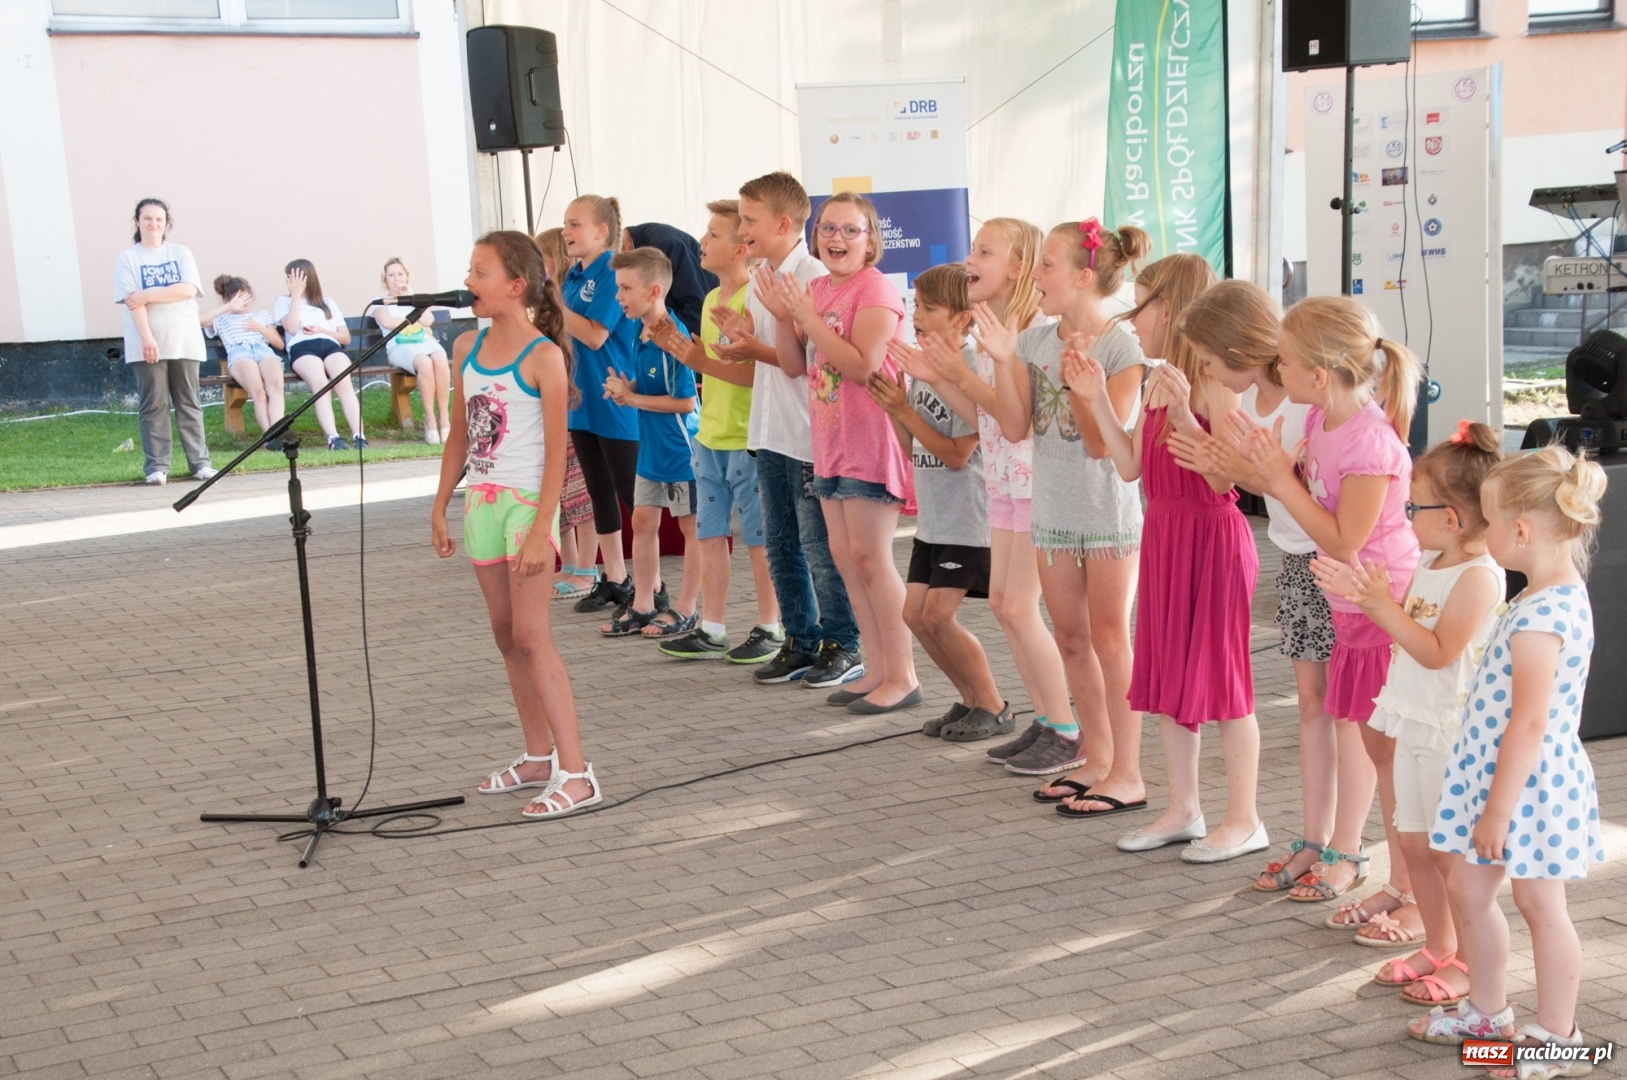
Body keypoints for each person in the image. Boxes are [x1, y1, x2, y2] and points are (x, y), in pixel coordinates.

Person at [1406, 445, 1606, 1073]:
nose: (1483, 532)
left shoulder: (1544, 614)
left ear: (1519, 531)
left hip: (1528, 788)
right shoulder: (1536, 598)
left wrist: (1497, 810)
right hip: (1498, 778)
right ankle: (1488, 1016)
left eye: (1489, 523)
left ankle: (1559, 1035)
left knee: (1541, 905)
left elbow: (1530, 722)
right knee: (1469, 886)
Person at [1066, 255, 1268, 863]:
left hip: (1211, 536)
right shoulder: (1158, 377)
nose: (1134, 318)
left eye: (1144, 305)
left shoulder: (1210, 384)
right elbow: (1129, 465)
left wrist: (1185, 416)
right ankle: (1184, 808)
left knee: (1226, 680)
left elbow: (1226, 481)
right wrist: (1096, 396)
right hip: (1165, 534)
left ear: (1174, 310)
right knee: (1169, 678)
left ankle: (1244, 817)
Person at [1163, 282, 1348, 897]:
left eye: (1212, 361)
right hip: (1297, 561)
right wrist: (1212, 444)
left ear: (1240, 349)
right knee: (1313, 706)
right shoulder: (1253, 401)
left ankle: (1345, 847)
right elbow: (1231, 471)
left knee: (1346, 713)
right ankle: (1315, 838)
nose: (1207, 371)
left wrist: (1233, 461)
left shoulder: (1301, 404)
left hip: (1334, 565)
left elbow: (1274, 479)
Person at [1239, 296, 1424, 904]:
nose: (1277, 372)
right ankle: (1341, 849)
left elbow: (1346, 539)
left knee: (1367, 735)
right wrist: (1267, 473)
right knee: (1345, 721)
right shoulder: (1321, 420)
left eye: (1285, 362)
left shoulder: (1370, 442)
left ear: (1318, 375)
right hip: (1344, 601)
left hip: (1377, 603)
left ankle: (1370, 862)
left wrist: (1280, 483)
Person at [1311, 422, 1502, 1008]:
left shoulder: (1479, 577)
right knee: (1417, 845)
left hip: (1450, 733)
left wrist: (1378, 606)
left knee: (1450, 856)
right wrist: (1367, 595)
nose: (1404, 514)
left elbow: (1437, 649)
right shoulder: (1433, 559)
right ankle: (1440, 946)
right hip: (1415, 722)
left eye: (1413, 505)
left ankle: (1471, 963)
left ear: (1454, 518)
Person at [430, 230, 600, 819]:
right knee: (506, 634)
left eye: (480, 272)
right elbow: (460, 433)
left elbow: (558, 453)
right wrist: (440, 502)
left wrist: (538, 531)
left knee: (532, 636)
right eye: (471, 271)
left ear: (515, 286)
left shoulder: (543, 356)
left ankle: (577, 773)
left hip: (528, 505)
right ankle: (538, 756)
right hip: (482, 502)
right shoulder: (464, 350)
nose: (470, 281)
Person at [892, 219, 1072, 748]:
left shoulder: (1028, 332)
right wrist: (936, 380)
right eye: (972, 248)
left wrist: (954, 376)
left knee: (1028, 612)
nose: (970, 258)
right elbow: (985, 415)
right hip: (1005, 485)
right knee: (1005, 607)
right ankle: (1045, 721)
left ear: (1018, 266)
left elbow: (1014, 421)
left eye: (984, 251)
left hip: (1036, 487)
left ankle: (1060, 726)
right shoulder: (1007, 328)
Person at [985, 220, 1149, 779]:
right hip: (1053, 512)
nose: (1037, 276)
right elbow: (1013, 427)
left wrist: (1081, 382)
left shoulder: (1122, 347)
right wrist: (1006, 360)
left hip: (1106, 515)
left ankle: (1126, 767)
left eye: (1048, 265)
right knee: (1072, 638)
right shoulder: (1033, 341)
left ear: (1083, 277)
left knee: (1109, 637)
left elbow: (1102, 444)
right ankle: (1096, 754)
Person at [759, 191, 917, 714]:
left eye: (851, 230)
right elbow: (792, 364)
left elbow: (863, 366)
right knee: (848, 561)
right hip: (828, 445)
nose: (836, 239)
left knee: (873, 560)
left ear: (871, 241)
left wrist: (810, 315)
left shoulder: (875, 291)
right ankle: (875, 668)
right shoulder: (817, 289)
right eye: (828, 228)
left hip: (871, 444)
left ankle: (904, 675)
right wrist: (786, 317)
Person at [712, 171, 862, 689]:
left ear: (782, 222)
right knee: (780, 543)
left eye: (749, 220)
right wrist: (742, 336)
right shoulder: (762, 274)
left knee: (818, 545)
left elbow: (805, 359)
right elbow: (773, 352)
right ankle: (800, 639)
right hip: (769, 430)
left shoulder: (813, 275)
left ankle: (844, 642)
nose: (741, 231)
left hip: (808, 433)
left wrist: (755, 348)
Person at [871, 264, 1005, 735]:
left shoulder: (966, 369)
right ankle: (969, 700)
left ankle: (993, 703)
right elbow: (913, 449)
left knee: (938, 615)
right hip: (934, 520)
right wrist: (894, 409)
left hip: (969, 518)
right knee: (914, 615)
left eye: (930, 307)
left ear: (963, 319)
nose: (917, 314)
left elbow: (955, 454)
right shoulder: (918, 370)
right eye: (916, 305)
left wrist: (904, 408)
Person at [650, 200, 784, 662]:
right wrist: (687, 354)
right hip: (709, 436)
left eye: (712, 235)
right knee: (709, 534)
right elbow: (707, 366)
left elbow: (761, 374)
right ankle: (712, 625)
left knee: (759, 538)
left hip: (748, 439)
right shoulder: (709, 300)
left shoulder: (758, 299)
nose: (701, 243)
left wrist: (700, 361)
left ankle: (771, 625)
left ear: (741, 246)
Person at [597, 247, 701, 638]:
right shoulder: (643, 331)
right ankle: (643, 603)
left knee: (692, 529)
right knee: (642, 521)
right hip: (652, 448)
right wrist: (629, 388)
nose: (619, 297)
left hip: (679, 449)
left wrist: (633, 398)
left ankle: (686, 608)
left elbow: (687, 400)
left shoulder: (670, 337)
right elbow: (657, 385)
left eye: (625, 288)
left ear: (654, 290)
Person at [561, 195, 649, 614]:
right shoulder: (572, 276)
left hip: (616, 397)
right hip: (580, 398)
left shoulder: (614, 272)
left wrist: (554, 309)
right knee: (598, 490)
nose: (566, 232)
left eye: (574, 224)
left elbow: (596, 335)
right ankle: (615, 578)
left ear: (601, 231)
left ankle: (652, 587)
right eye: (565, 224)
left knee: (633, 494)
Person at [114, 197, 213, 485]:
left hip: (184, 338)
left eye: (159, 219)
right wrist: (147, 339)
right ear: (137, 222)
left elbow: (188, 289)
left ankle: (200, 464)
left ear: (166, 223)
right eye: (147, 218)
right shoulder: (128, 257)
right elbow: (133, 303)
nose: (153, 224)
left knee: (189, 403)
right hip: (146, 341)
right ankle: (157, 467)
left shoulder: (180, 252)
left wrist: (147, 294)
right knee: (153, 405)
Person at [533, 226, 599, 601]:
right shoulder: (547, 306)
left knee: (580, 493)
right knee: (559, 490)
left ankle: (587, 567)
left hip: (575, 405)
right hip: (553, 406)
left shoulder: (567, 305)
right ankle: (570, 561)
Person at [274, 259, 365, 452]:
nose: (290, 281)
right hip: (302, 348)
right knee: (321, 385)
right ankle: (334, 438)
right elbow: (290, 327)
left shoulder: (328, 303)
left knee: (343, 383)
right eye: (288, 277)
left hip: (330, 345)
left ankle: (359, 436)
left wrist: (322, 330)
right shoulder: (284, 301)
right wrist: (296, 295)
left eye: (294, 277)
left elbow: (345, 337)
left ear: (307, 278)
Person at [371, 257, 452, 445]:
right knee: (424, 362)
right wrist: (420, 327)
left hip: (424, 342)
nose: (396, 279)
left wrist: (413, 297)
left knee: (440, 357)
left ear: (407, 277)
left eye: (400, 274)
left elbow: (428, 321)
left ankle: (444, 417)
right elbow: (387, 322)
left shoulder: (415, 299)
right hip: (399, 346)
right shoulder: (380, 301)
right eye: (391, 275)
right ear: (385, 279)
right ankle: (430, 419)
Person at [200, 274, 285, 443]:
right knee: (259, 393)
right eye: (238, 299)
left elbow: (279, 344)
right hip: (240, 352)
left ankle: (278, 432)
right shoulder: (222, 319)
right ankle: (270, 438)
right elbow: (198, 321)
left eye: (246, 298)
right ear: (228, 300)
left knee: (276, 387)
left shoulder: (262, 315)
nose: (244, 303)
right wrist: (228, 307)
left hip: (263, 350)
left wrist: (260, 328)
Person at [621, 221, 719, 335]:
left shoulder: (666, 244)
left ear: (623, 247)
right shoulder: (637, 244)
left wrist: (669, 341)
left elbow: (695, 306)